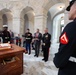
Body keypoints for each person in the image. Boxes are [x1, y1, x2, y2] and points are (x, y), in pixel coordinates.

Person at [53, 0, 76, 75]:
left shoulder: (72, 27)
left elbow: (61, 58)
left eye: (70, 8)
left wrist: (56, 60)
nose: (69, 11)